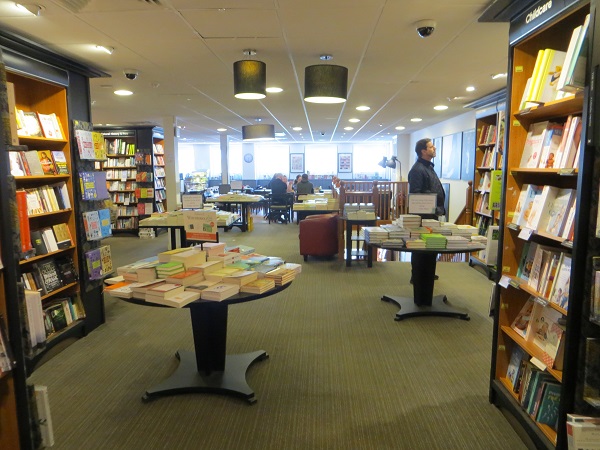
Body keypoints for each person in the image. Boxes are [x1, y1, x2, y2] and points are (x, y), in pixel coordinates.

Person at [407, 138, 445, 285]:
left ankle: (428, 273)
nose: (434, 148)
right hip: (423, 215)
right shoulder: (417, 170)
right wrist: (432, 198)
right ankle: (417, 276)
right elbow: (416, 195)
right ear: (423, 151)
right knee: (420, 246)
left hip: (432, 213)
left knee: (431, 244)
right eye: (431, 147)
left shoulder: (428, 167)